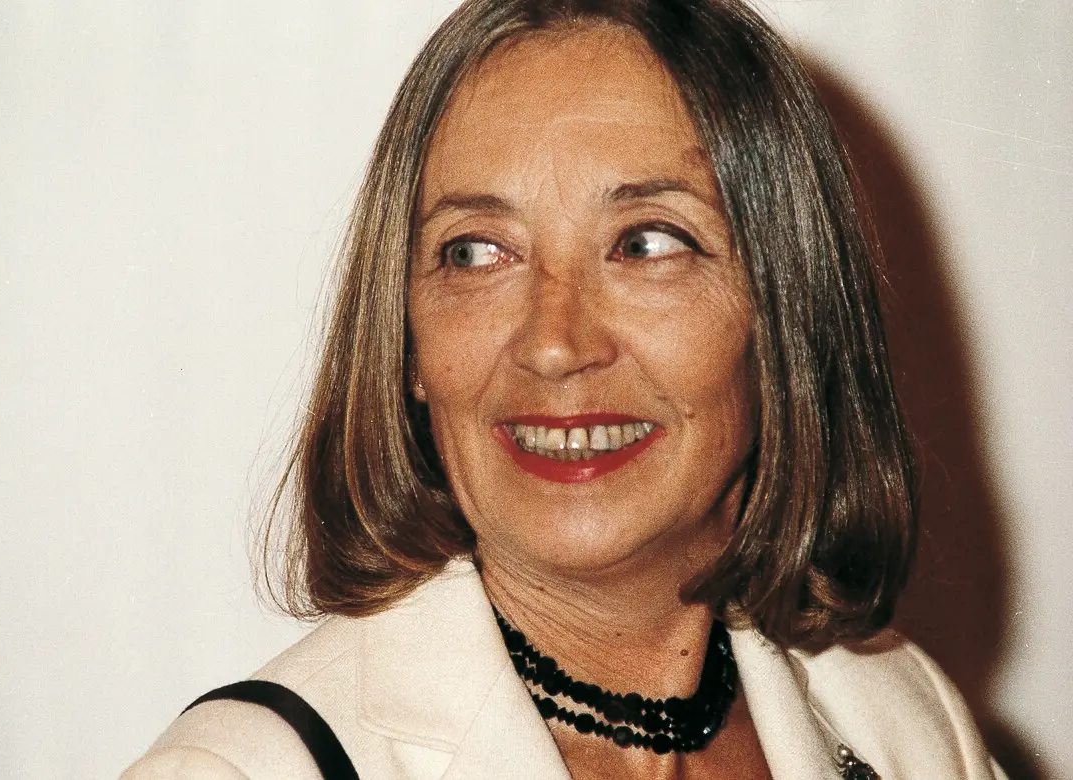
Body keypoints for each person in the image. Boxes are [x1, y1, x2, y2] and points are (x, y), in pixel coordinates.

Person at [124, 0, 1006, 777]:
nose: (554, 345)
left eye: (646, 243)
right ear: (408, 346)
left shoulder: (904, 722)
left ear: (786, 315)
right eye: (476, 253)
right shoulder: (241, 771)